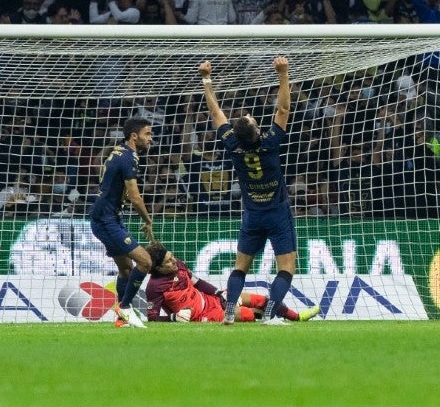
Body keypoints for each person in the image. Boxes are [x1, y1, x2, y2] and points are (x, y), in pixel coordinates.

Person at [199, 56, 297, 325]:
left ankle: (229, 310)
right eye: (250, 118)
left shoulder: (233, 146)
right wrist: (283, 73)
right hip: (277, 213)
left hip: (252, 214)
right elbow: (284, 109)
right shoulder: (270, 142)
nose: (249, 115)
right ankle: (268, 314)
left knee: (241, 266)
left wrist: (207, 79)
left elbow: (216, 113)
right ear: (256, 129)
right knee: (287, 267)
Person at [144, 241, 320, 323]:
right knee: (247, 314)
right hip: (203, 316)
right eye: (168, 261)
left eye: (172, 256)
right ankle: (265, 317)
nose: (174, 261)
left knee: (260, 300)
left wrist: (217, 293)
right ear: (158, 268)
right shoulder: (154, 287)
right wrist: (174, 318)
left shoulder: (180, 266)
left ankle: (297, 317)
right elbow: (152, 318)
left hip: (212, 299)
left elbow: (198, 283)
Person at [89, 117, 154, 328]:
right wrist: (147, 220)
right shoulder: (128, 158)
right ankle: (124, 307)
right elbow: (135, 197)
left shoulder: (119, 152)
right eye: (147, 134)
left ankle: (120, 320)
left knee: (126, 269)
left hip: (109, 216)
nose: (151, 139)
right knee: (145, 262)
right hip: (106, 220)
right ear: (134, 136)